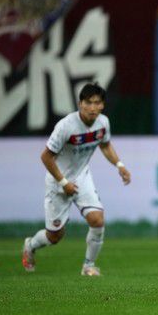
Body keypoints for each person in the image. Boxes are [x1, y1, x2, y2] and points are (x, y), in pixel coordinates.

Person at [22, 83, 132, 276]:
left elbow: (105, 145)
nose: (92, 107)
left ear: (102, 105)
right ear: (80, 103)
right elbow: (46, 157)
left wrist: (119, 165)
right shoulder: (66, 126)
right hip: (58, 180)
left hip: (82, 177)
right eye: (88, 102)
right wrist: (64, 183)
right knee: (55, 236)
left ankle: (89, 266)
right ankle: (30, 245)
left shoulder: (103, 123)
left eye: (96, 103)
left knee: (97, 220)